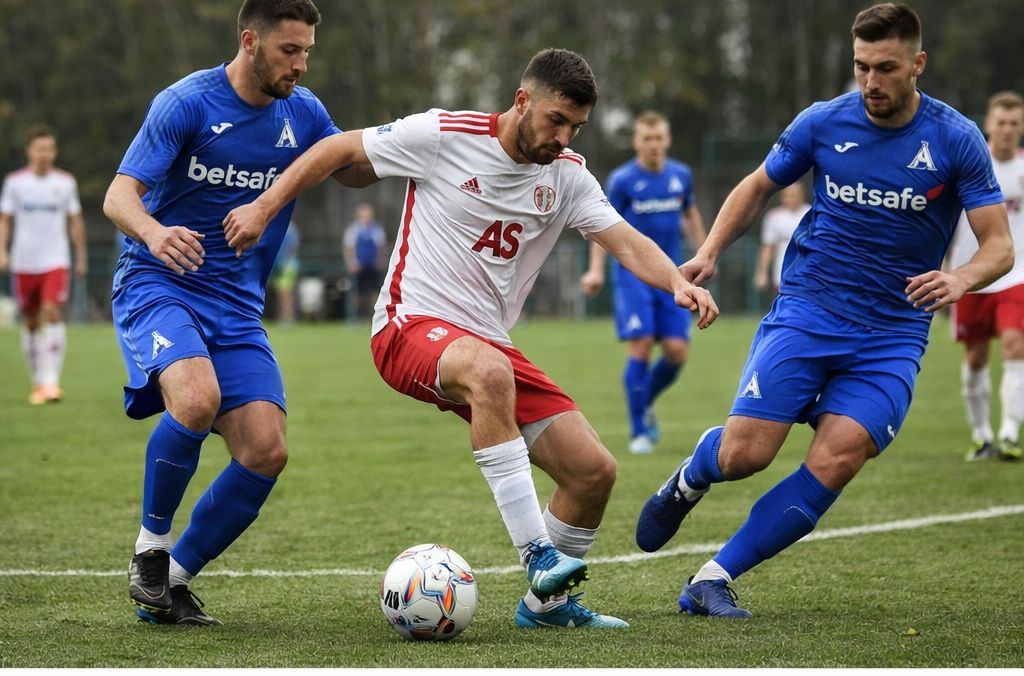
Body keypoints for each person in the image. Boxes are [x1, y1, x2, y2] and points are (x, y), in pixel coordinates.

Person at [224, 47, 719, 629]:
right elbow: (339, 150)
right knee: (488, 371)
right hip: (408, 325)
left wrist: (676, 282)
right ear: (522, 100)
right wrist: (263, 206)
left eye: (576, 127)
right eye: (556, 120)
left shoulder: (567, 176)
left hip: (487, 343)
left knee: (592, 472)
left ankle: (547, 607)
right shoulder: (444, 135)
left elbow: (626, 241)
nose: (563, 136)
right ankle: (538, 556)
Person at [634, 2, 1012, 618]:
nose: (871, 81)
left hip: (893, 332)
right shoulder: (823, 121)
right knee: (746, 456)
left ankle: (713, 577)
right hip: (809, 309)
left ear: (918, 64)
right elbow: (758, 185)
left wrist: (962, 277)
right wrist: (708, 252)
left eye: (886, 68)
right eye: (861, 66)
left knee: (839, 456)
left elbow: (999, 244)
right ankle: (692, 475)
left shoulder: (956, 138)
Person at [103, 0, 372, 626]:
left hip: (237, 306)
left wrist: (412, 148)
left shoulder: (304, 113)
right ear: (250, 41)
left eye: (307, 52)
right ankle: (150, 549)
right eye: (289, 50)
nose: (301, 65)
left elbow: (352, 170)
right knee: (196, 399)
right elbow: (119, 196)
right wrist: (154, 233)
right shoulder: (186, 103)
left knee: (266, 449)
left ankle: (170, 584)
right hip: (159, 283)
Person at [580, 111, 706, 454]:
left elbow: (690, 213)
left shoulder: (680, 176)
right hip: (632, 275)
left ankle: (644, 399)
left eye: (659, 138)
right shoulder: (622, 180)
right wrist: (595, 270)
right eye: (647, 139)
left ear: (668, 140)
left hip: (673, 275)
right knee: (642, 343)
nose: (654, 145)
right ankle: (639, 432)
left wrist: (704, 252)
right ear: (637, 142)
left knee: (677, 352)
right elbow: (602, 225)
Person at [948, 91, 1024, 462]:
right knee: (976, 356)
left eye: (1014, 123)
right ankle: (982, 435)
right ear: (989, 124)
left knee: (1015, 345)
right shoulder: (970, 165)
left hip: (1016, 273)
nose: (1007, 129)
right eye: (1001, 122)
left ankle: (1010, 431)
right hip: (970, 275)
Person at [0, 125, 87, 405]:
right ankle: (37, 382)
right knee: (30, 321)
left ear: (54, 151)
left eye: (49, 148)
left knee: (51, 312)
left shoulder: (65, 182)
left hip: (55, 259)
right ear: (30, 151)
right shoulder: (15, 183)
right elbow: (5, 220)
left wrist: (81, 255)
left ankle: (51, 382)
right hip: (24, 261)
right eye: (39, 148)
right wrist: (2, 251)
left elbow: (75, 221)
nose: (44, 153)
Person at [753, 182, 810, 298]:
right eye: (788, 195)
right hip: (782, 270)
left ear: (802, 195)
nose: (792, 198)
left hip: (807, 270)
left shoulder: (810, 213)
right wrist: (762, 272)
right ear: (782, 196)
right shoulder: (774, 217)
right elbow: (768, 246)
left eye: (795, 194)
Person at [342, 202, 386, 319]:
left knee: (376, 292)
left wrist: (380, 260)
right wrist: (351, 263)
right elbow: (348, 248)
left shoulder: (377, 229)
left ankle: (374, 316)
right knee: (358, 293)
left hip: (373, 266)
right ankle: (357, 317)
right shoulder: (353, 229)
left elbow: (381, 247)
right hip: (359, 266)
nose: (366, 218)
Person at [270, 220, 300, 325]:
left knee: (286, 293)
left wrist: (284, 261)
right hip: (282, 264)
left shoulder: (289, 228)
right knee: (282, 293)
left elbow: (293, 248)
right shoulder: (287, 227)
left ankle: (287, 318)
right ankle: (284, 318)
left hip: (287, 265)